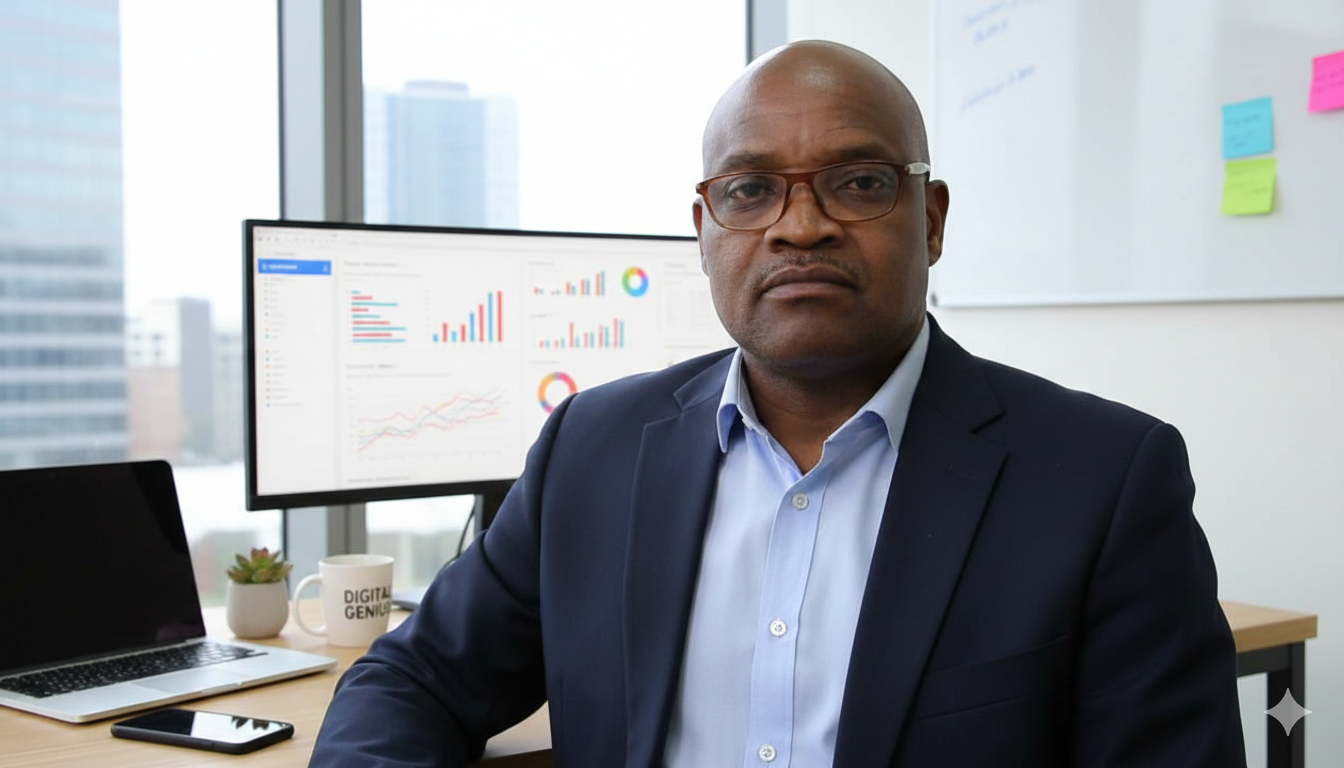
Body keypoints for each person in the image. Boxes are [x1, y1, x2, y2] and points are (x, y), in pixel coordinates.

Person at [309, 40, 1246, 767]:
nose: (801, 225)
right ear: (704, 231)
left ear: (930, 221)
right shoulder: (593, 448)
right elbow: (414, 678)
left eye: (859, 183)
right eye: (751, 190)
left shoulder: (1101, 481)